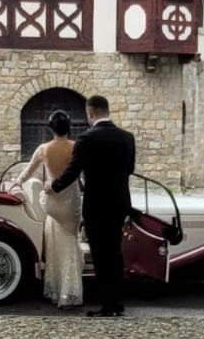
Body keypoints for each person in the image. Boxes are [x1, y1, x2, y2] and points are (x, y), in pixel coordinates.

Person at [49, 95, 135, 317]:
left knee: (100, 256)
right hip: (119, 204)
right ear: (107, 110)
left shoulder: (87, 139)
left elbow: (73, 171)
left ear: (91, 113)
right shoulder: (127, 138)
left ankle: (108, 306)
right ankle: (118, 303)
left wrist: (54, 186)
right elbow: (129, 169)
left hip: (97, 205)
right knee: (115, 254)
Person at [17, 111, 83, 309]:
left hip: (52, 199)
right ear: (69, 127)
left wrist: (16, 184)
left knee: (54, 242)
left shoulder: (43, 149)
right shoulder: (76, 147)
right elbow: (80, 175)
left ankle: (54, 290)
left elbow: (27, 172)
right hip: (71, 199)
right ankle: (70, 292)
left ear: (50, 128)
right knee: (71, 240)